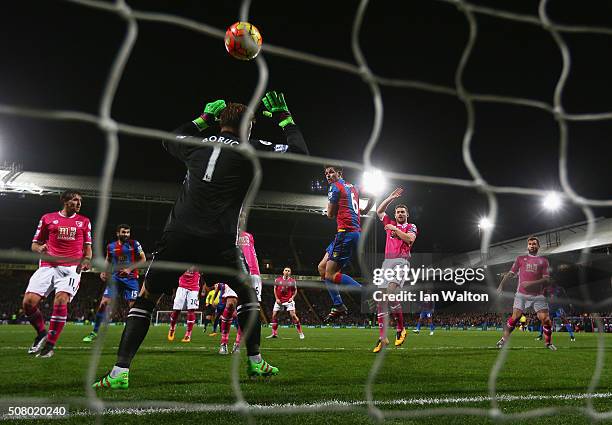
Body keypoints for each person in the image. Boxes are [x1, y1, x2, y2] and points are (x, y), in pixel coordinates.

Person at [92, 91, 308, 389]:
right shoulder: (250, 148)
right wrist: (286, 118)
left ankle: (119, 372)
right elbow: (300, 154)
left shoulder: (196, 144)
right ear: (248, 126)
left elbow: (169, 140)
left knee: (147, 298)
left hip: (178, 235)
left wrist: (202, 119)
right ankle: (255, 361)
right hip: (218, 239)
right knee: (247, 294)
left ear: (220, 123)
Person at [23, 190, 92, 358]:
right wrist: (40, 249)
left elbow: (88, 248)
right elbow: (34, 245)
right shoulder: (47, 218)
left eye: (80, 201)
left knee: (61, 300)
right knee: (28, 303)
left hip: (71, 268)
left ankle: (50, 345)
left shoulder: (84, 222)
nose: (78, 203)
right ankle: (41, 333)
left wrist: (87, 260)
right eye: (75, 200)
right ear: (65, 201)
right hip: (47, 265)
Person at [319, 165, 374, 321]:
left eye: (331, 172)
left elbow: (330, 214)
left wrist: (332, 208)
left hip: (346, 233)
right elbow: (373, 195)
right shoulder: (354, 187)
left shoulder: (335, 187)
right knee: (322, 268)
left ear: (339, 173)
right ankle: (338, 305)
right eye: (326, 173)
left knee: (330, 274)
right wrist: (364, 210)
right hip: (348, 233)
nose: (328, 175)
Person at [372, 187, 418, 353]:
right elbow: (379, 211)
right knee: (380, 300)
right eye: (397, 212)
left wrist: (395, 230)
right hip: (387, 263)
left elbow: (410, 240)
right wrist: (390, 197)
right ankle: (383, 337)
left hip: (401, 262)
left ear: (407, 215)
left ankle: (400, 328)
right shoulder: (388, 223)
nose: (399, 214)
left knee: (390, 293)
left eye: (402, 212)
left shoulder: (410, 226)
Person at [83, 224, 146, 342]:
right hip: (115, 279)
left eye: (128, 232)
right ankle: (94, 332)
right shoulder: (111, 246)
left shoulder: (134, 244)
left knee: (133, 308)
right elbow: (108, 260)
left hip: (131, 280)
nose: (126, 234)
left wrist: (129, 269)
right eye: (124, 232)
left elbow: (143, 259)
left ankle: (132, 334)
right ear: (118, 233)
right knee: (103, 304)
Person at [496, 237, 556, 350]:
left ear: (538, 246)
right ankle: (503, 340)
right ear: (527, 246)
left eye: (534, 244)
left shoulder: (544, 261)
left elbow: (547, 279)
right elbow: (510, 273)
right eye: (530, 244)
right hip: (521, 294)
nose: (532, 245)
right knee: (515, 317)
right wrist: (501, 285)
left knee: (546, 319)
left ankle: (548, 343)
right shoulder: (520, 259)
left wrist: (530, 283)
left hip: (538, 295)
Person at [267, 267, 304, 339]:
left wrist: (292, 298)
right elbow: (275, 289)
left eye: (289, 271)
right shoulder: (277, 280)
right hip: (279, 301)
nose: (287, 272)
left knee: (293, 315)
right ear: (283, 272)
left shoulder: (292, 281)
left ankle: (301, 333)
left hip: (289, 300)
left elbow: (295, 290)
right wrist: (277, 298)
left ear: (290, 273)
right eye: (286, 270)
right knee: (274, 315)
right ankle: (274, 333)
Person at [168, 267, 201, 343]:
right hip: (182, 287)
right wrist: (173, 290)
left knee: (191, 311)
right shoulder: (183, 257)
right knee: (176, 310)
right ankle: (172, 328)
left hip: (194, 288)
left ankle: (188, 334)